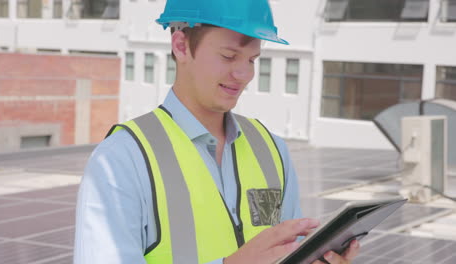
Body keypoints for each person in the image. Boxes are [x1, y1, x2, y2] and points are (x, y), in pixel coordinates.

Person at [74, 0, 360, 263]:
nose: (245, 74)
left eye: (252, 59)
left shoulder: (272, 149)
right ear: (181, 46)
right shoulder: (122, 159)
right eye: (229, 56)